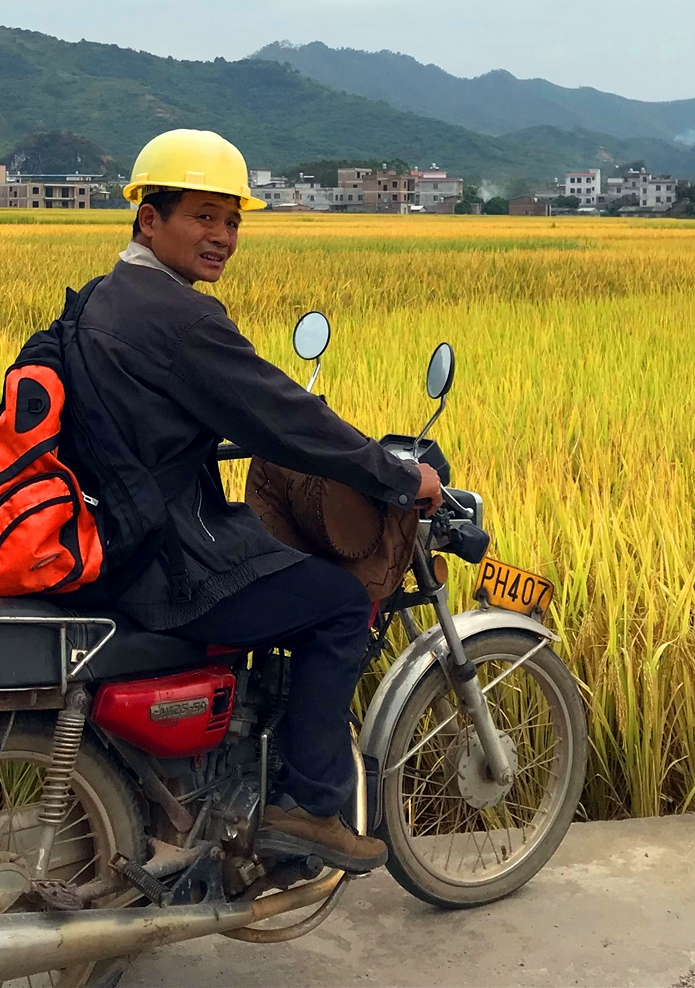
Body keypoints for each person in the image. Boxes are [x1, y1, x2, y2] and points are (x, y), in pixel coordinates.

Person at [64, 128, 440, 874]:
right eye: (203, 216)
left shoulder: (99, 303)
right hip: (168, 564)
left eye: (232, 220)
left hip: (108, 547)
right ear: (149, 218)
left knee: (279, 585)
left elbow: (167, 424)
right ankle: (310, 809)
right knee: (334, 604)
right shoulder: (183, 320)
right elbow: (284, 414)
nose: (222, 237)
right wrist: (397, 476)